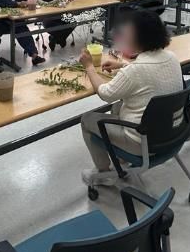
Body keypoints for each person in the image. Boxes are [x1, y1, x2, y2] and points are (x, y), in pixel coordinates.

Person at [78, 10, 183, 185]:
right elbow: (146, 71)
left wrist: (89, 66)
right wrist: (122, 64)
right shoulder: (172, 57)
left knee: (87, 119)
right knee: (118, 107)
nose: (124, 35)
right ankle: (122, 160)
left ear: (139, 38)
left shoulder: (136, 70)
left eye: (128, 32)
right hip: (172, 131)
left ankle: (104, 174)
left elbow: (105, 93)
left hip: (144, 142)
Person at [0, 0, 46, 66]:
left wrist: (32, 1)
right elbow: (8, 3)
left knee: (23, 31)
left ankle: (34, 56)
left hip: (15, 21)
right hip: (1, 22)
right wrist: (19, 3)